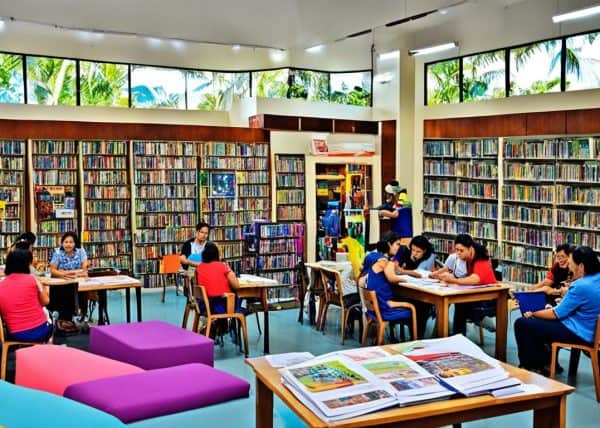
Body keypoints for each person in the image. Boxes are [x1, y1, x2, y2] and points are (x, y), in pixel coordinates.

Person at [514, 246, 600, 375]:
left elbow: (556, 314)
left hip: (578, 332)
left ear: (581, 266)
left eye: (571, 264)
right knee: (538, 323)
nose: (569, 268)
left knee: (523, 323)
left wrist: (533, 312)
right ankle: (545, 363)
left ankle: (532, 368)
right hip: (591, 329)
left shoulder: (581, 285)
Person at [436, 234, 498, 336]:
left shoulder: (480, 259)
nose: (458, 253)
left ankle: (460, 335)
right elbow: (466, 277)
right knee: (460, 304)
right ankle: (458, 336)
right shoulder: (468, 259)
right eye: (456, 250)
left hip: (489, 299)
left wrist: (453, 280)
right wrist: (448, 277)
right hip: (476, 295)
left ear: (471, 249)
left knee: (460, 305)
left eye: (461, 250)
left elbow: (475, 279)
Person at [0, 249, 52, 342]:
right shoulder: (33, 279)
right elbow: (45, 301)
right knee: (50, 316)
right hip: (41, 331)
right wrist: (45, 288)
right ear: (27, 265)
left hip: (15, 333)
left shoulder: (1, 285)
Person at [48, 232, 89, 331]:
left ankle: (77, 315)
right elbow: (53, 270)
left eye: (71, 242)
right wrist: (67, 274)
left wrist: (65, 272)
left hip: (78, 282)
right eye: (66, 242)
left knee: (81, 291)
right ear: (62, 243)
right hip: (61, 283)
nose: (68, 244)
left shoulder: (81, 251)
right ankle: (65, 319)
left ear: (75, 243)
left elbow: (84, 270)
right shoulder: (58, 252)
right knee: (68, 290)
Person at [195, 241, 242, 315]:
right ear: (217, 254)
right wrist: (229, 269)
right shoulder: (222, 266)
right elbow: (236, 286)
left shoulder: (199, 268)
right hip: (221, 306)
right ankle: (234, 323)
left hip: (204, 306)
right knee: (238, 299)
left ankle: (219, 324)